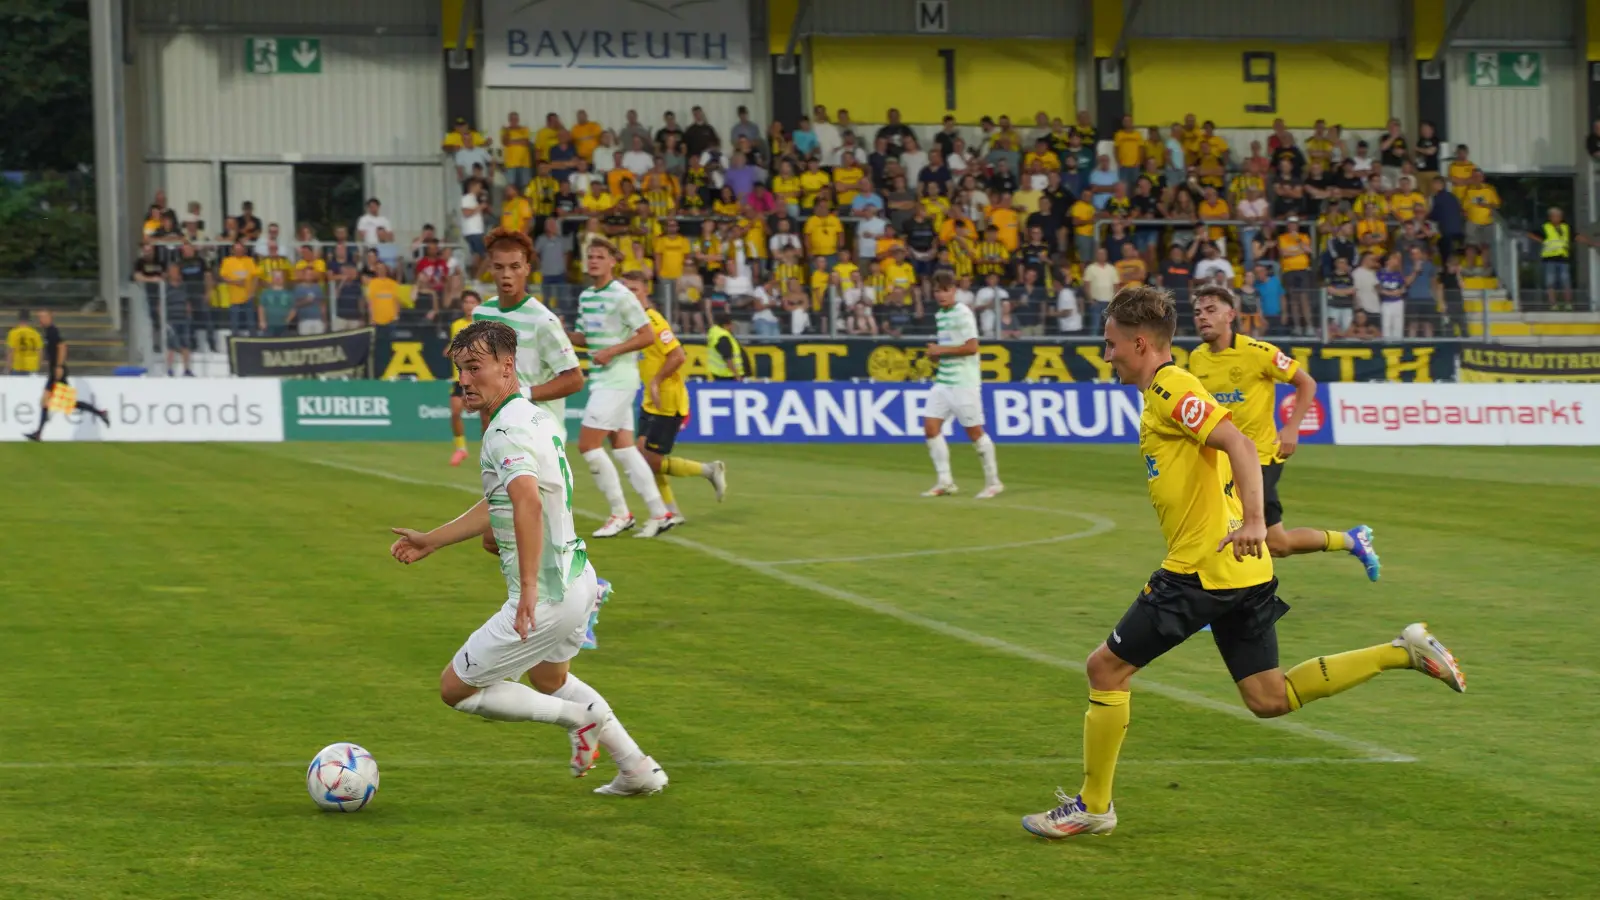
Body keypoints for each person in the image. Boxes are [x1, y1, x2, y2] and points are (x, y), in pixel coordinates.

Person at [1019, 286, 1465, 840]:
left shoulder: (1172, 387)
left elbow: (1241, 444)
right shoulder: (1171, 385)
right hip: (1241, 572)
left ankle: (1094, 805)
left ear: (1138, 343)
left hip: (1200, 569)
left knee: (1104, 669)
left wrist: (1255, 521)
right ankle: (1402, 651)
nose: (1106, 356)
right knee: (1268, 698)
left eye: (1110, 345)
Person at [389, 320, 667, 797]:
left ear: (507, 365)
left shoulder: (504, 431)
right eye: (461, 370)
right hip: (580, 580)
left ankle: (578, 722)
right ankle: (637, 769)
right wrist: (433, 539)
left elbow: (527, 502)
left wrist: (530, 595)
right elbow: (504, 499)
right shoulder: (532, 416)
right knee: (550, 676)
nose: (466, 380)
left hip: (547, 596)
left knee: (456, 689)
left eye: (476, 368)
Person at [1187, 285, 1381, 577]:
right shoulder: (1197, 358)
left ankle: (1221, 610)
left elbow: (1307, 383)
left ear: (1231, 315)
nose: (1203, 317)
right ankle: (1352, 540)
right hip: (1223, 461)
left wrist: (1291, 428)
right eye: (1198, 312)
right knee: (1277, 544)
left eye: (1211, 310)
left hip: (1259, 458)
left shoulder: (1258, 352)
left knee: (1231, 530)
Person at [566, 237, 672, 539]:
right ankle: (659, 512)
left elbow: (647, 335)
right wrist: (560, 332)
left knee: (587, 444)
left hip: (618, 379)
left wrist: (612, 351)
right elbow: (586, 338)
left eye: (600, 256)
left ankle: (620, 513)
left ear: (613, 261)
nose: (593, 261)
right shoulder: (586, 296)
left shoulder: (622, 295)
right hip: (603, 379)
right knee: (625, 450)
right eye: (590, 256)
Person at [620, 271, 727, 528]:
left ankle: (709, 470)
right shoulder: (636, 322)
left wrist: (656, 381)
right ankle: (671, 511)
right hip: (650, 399)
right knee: (644, 458)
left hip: (667, 400)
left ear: (645, 291)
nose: (629, 295)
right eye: (626, 290)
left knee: (650, 460)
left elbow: (678, 356)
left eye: (634, 289)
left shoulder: (655, 322)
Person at [470, 229, 585, 443]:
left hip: (540, 434)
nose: (506, 274)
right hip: (501, 432)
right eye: (499, 267)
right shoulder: (481, 314)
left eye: (514, 267)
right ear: (490, 269)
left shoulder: (543, 320)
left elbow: (575, 380)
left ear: (526, 269)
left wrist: (521, 394)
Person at [921, 273, 1003, 499]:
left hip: (964, 383)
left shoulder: (963, 313)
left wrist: (940, 350)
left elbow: (972, 347)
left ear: (954, 290)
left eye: (945, 290)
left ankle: (993, 482)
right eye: (938, 291)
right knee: (930, 427)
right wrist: (936, 355)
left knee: (974, 432)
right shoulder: (941, 315)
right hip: (944, 381)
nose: (941, 295)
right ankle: (945, 481)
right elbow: (950, 347)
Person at [22, 309, 112, 441]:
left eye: (43, 317)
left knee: (51, 402)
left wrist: (59, 366)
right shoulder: (48, 332)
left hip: (58, 371)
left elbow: (63, 346)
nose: (40, 320)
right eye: (39, 317)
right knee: (58, 402)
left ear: (49, 317)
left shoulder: (53, 331)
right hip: (55, 370)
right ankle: (100, 413)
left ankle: (39, 432)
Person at [446, 291, 483, 466]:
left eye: (473, 302)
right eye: (466, 302)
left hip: (479, 377)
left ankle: (489, 450)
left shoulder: (483, 325)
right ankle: (461, 448)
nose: (469, 305)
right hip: (460, 376)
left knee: (486, 417)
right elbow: (454, 348)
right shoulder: (457, 325)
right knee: (455, 412)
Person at [5, 309, 43, 376]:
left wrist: (8, 368)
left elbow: (11, 352)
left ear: (19, 319)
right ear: (29, 320)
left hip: (17, 366)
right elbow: (40, 352)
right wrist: (38, 367)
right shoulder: (36, 333)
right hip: (32, 366)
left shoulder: (13, 333)